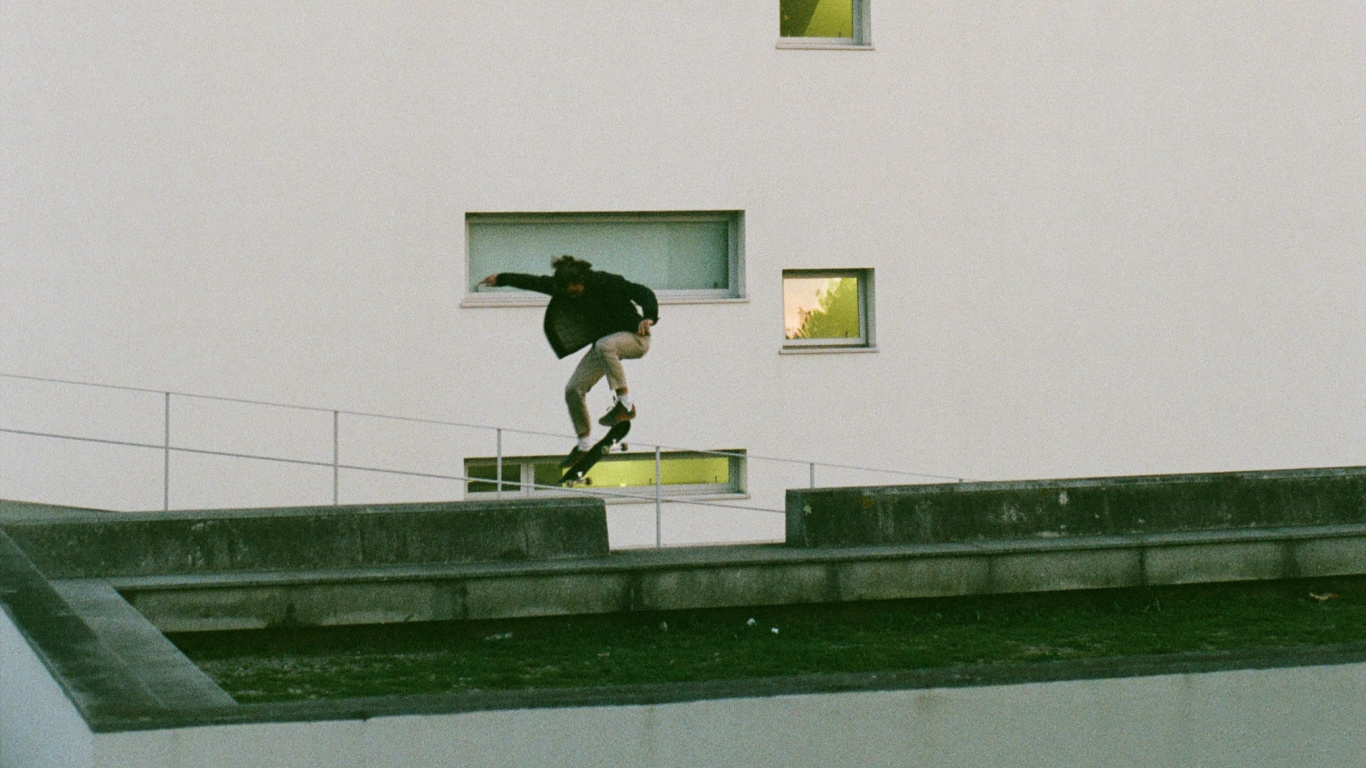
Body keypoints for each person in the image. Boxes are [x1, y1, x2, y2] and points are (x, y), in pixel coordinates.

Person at [480, 255, 659, 466]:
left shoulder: (605, 282)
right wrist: (501, 278)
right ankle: (584, 445)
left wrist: (649, 316)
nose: (572, 296)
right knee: (573, 389)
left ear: (582, 280)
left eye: (575, 291)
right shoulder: (562, 287)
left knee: (604, 345)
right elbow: (534, 282)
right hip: (605, 347)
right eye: (568, 293)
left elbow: (643, 292)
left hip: (636, 337)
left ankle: (625, 404)